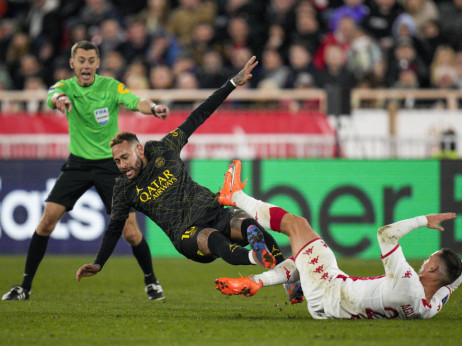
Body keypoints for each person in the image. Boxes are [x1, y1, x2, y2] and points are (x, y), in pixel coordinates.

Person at [76, 57, 301, 305]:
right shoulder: (124, 188)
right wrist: (98, 263)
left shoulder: (165, 149)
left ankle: (287, 280)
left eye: (125, 158)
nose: (122, 166)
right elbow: (114, 228)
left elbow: (198, 115)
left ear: (139, 149)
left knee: (249, 225)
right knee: (214, 240)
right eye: (117, 161)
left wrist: (232, 84)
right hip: (186, 233)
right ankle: (256, 258)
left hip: (211, 210)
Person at [2, 40, 170, 301]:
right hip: (78, 163)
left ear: (97, 63)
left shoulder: (110, 87)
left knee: (130, 231)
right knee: (47, 221)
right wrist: (58, 99)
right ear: (73, 64)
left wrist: (154, 108)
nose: (86, 65)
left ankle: (151, 281)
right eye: (81, 60)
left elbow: (136, 101)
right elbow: (51, 94)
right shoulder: (65, 87)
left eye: (91, 60)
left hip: (110, 166)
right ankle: (24, 286)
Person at [215, 160, 462, 319]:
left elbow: (385, 234)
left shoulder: (407, 281)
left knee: (296, 224)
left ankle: (234, 195)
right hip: (330, 307)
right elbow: (452, 282)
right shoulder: (429, 307)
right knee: (304, 258)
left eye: (428, 260)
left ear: (431, 268)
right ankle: (257, 281)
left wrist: (423, 220)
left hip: (330, 289)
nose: (423, 263)